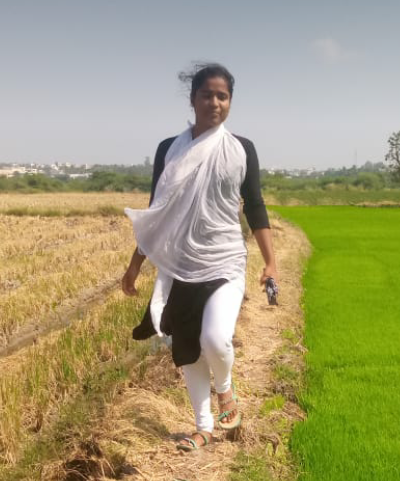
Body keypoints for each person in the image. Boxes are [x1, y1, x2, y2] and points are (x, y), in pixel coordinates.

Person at [122, 63, 278, 451]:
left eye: (222, 96)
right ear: (192, 100)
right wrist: (135, 265)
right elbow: (157, 213)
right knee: (189, 347)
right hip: (180, 264)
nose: (215, 102)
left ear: (230, 102)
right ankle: (203, 427)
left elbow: (255, 205)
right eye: (207, 95)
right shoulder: (169, 149)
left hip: (225, 259)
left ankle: (225, 391)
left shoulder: (241, 149)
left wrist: (270, 262)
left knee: (215, 338)